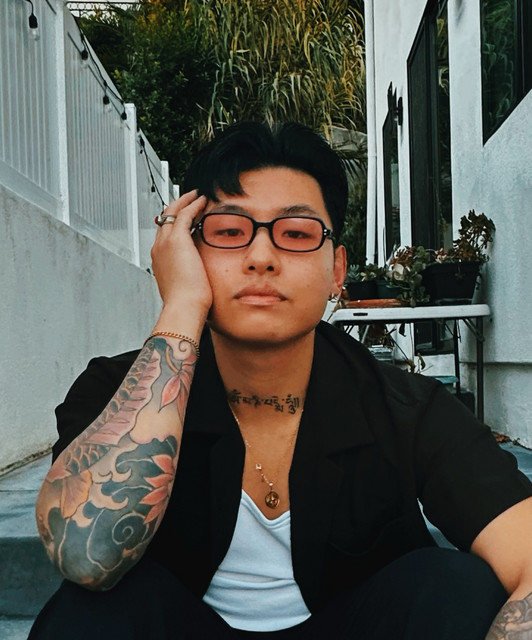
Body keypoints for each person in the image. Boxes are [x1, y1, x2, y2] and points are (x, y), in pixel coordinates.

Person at [30, 122, 532, 640]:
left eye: (296, 234)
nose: (262, 257)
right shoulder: (119, 391)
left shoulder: (406, 408)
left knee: (453, 586)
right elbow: (83, 556)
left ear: (337, 270)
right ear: (186, 253)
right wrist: (181, 307)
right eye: (229, 232)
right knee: (91, 613)